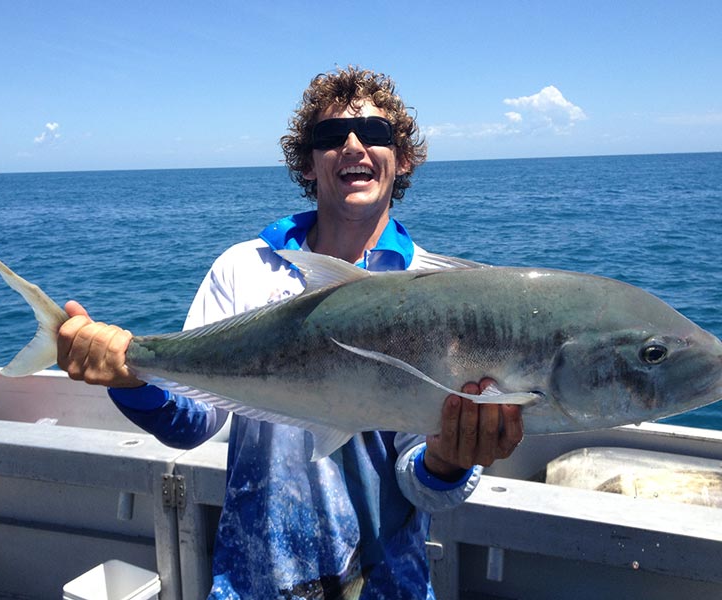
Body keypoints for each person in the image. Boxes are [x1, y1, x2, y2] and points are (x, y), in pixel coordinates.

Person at [57, 66, 524, 599]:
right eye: (330, 137)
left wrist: (449, 459)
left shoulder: (439, 292)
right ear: (308, 162)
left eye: (374, 133)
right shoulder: (246, 268)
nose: (353, 146)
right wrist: (129, 377)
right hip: (255, 583)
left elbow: (421, 485)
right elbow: (193, 423)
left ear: (403, 157)